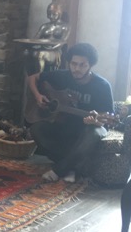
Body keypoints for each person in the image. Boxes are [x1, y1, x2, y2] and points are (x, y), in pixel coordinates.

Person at [27, 42, 114, 183]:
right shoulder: (63, 76)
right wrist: (38, 96)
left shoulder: (102, 86)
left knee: (93, 133)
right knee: (36, 129)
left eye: (82, 65)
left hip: (88, 129)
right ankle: (72, 167)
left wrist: (95, 121)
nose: (76, 69)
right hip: (65, 125)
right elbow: (32, 78)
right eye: (73, 64)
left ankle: (59, 170)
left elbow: (106, 121)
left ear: (90, 65)